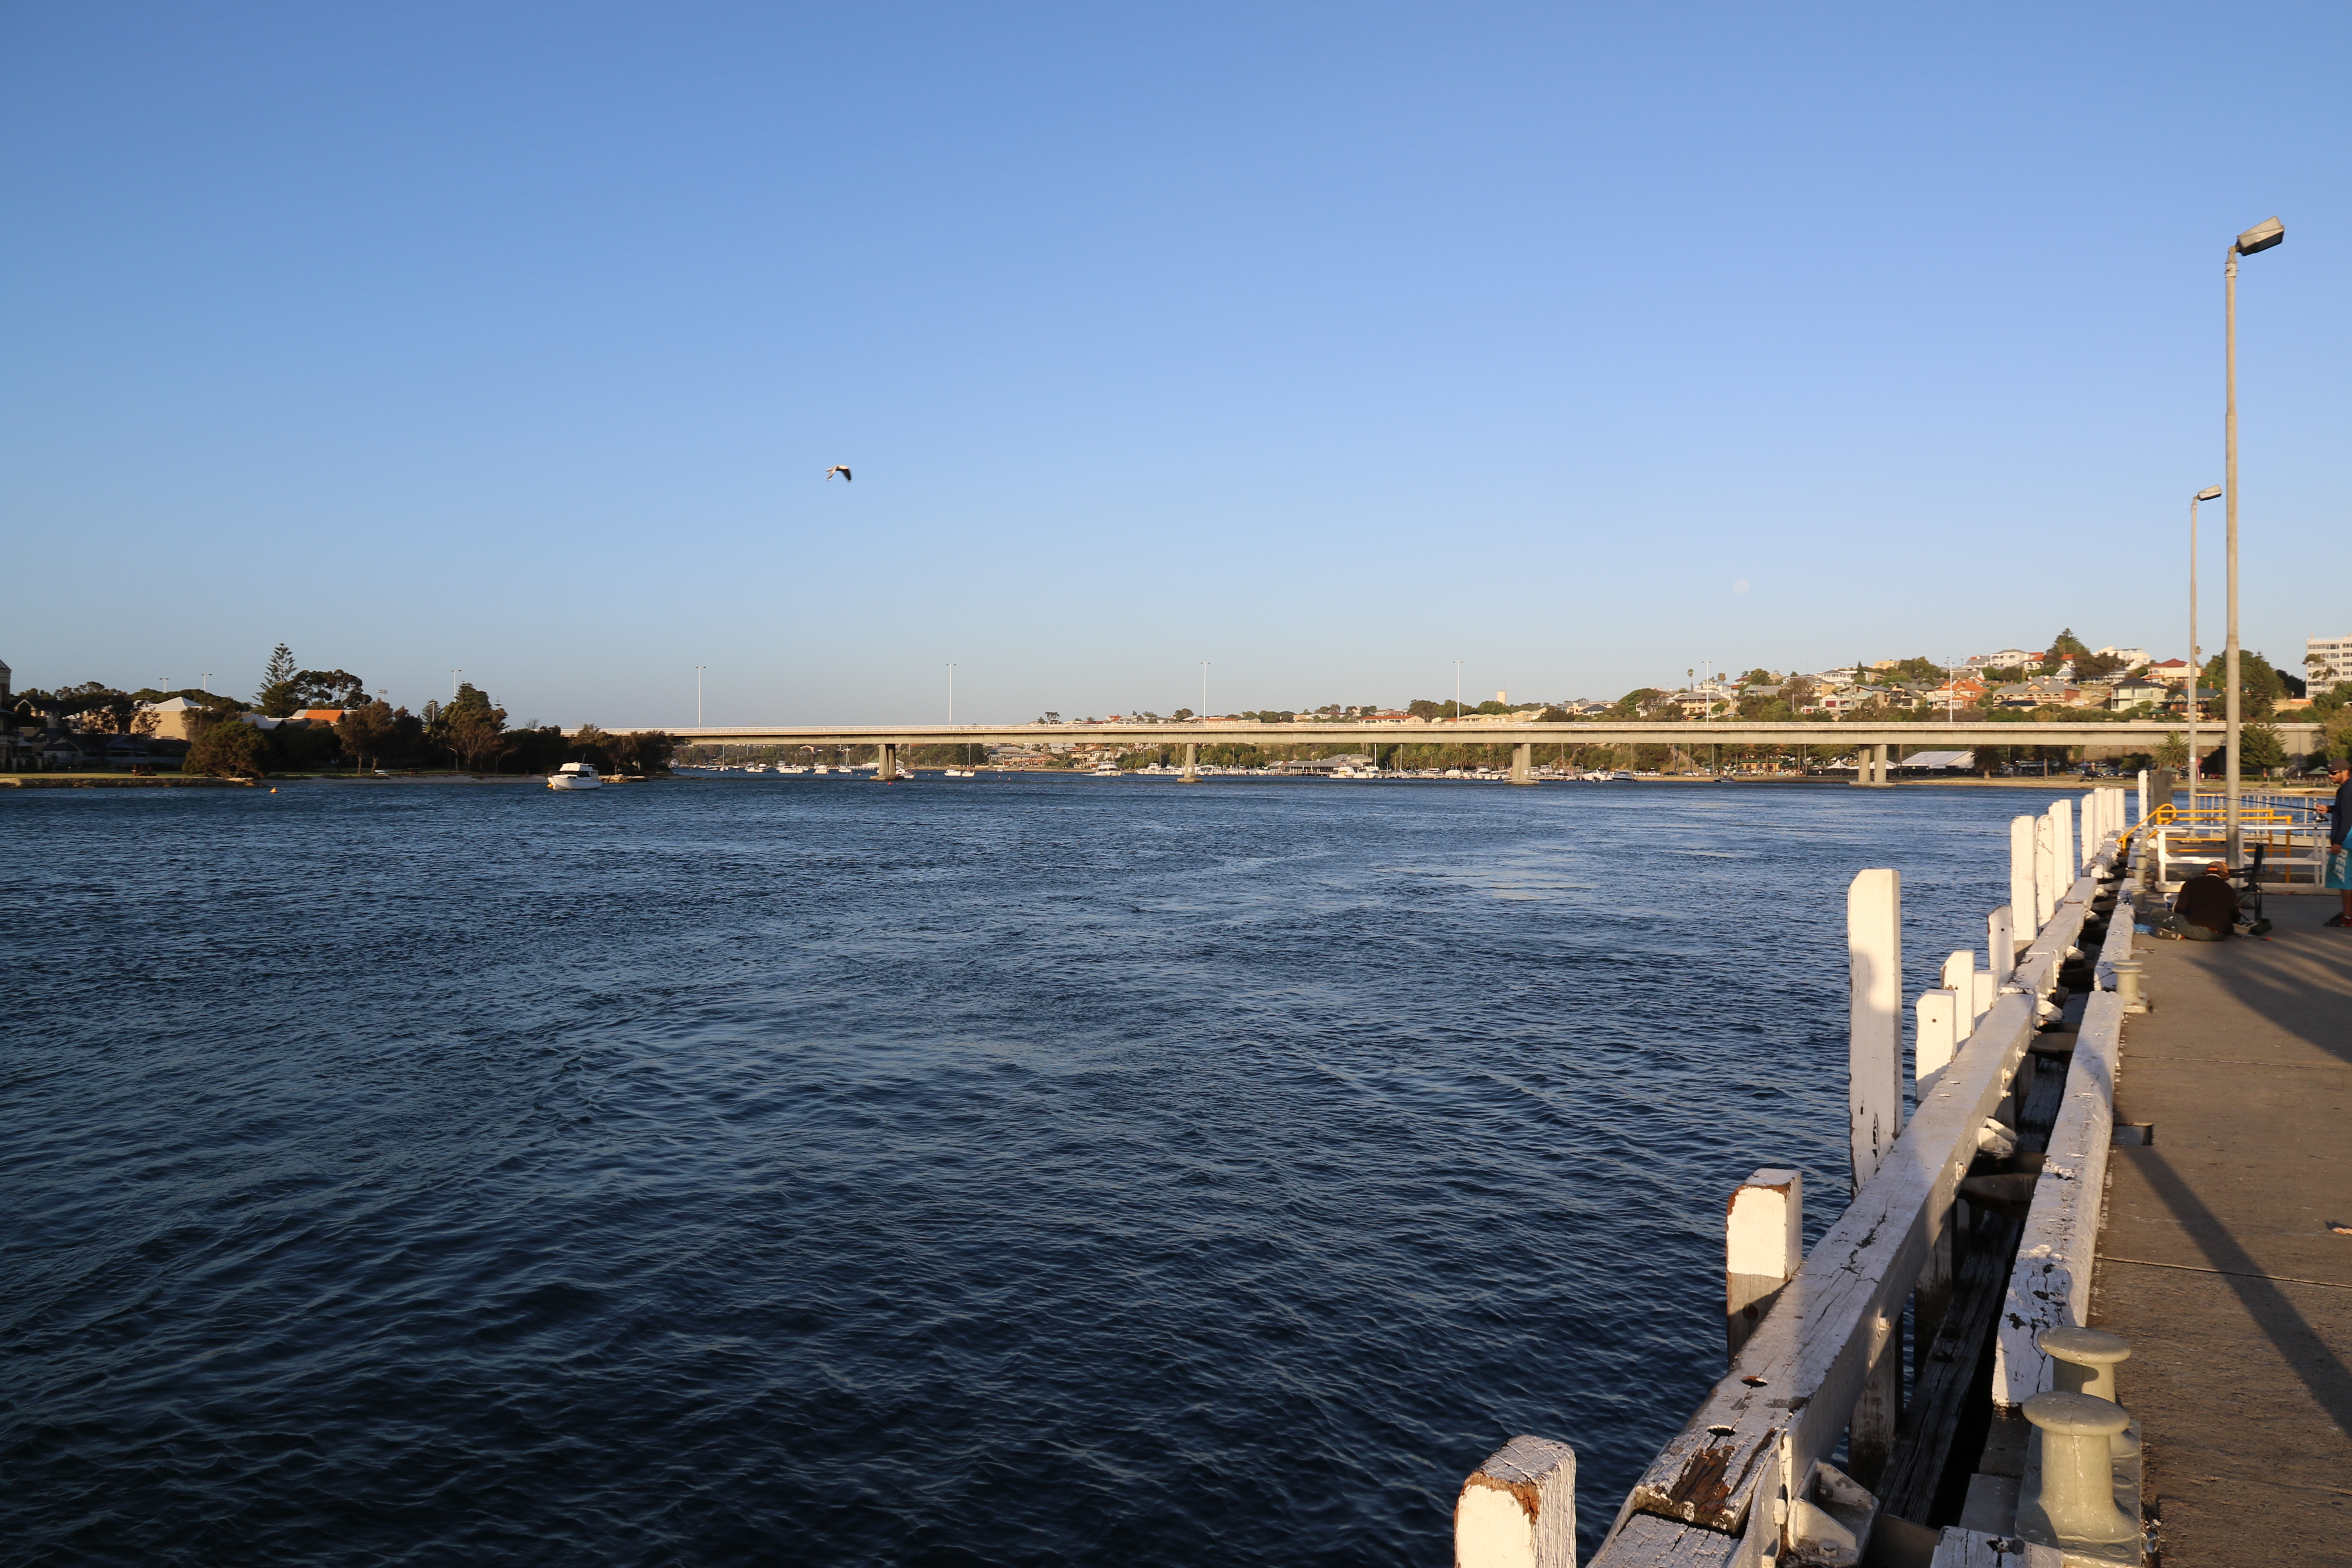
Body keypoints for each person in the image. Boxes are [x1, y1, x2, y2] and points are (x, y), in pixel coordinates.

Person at [2153, 861, 2238, 941]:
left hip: (2201, 930)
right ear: (2225, 874)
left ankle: (2182, 933)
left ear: (2207, 872)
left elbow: (2180, 909)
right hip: (2222, 935)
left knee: (2155, 912)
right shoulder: (2230, 889)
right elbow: (2235, 917)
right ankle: (2182, 934)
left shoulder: (2192, 883)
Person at [2323, 757, 2352, 928]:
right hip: (2347, 838)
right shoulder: (2347, 788)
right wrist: (2329, 809)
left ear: (2345, 772)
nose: (2330, 776)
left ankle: (2348, 918)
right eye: (2329, 773)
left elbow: (2349, 818)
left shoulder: (2348, 790)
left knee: (2344, 879)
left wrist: (2338, 843)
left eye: (2333, 773)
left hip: (2347, 840)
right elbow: (2346, 810)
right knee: (2347, 878)